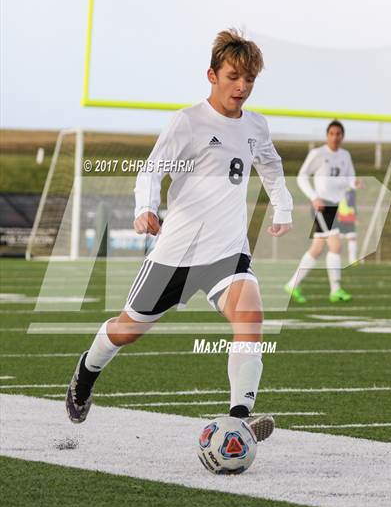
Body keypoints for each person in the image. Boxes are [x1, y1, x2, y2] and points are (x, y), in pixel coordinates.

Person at [66, 29, 293, 442]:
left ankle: (238, 419)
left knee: (251, 316)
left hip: (227, 252)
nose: (241, 87)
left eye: (249, 80)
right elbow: (151, 170)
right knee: (127, 330)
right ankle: (88, 368)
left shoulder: (256, 126)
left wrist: (283, 207)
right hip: (177, 253)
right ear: (212, 75)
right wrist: (145, 208)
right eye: (233, 77)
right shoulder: (188, 122)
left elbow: (271, 166)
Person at [284, 120, 355, 304]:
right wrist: (314, 197)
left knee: (317, 249)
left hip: (335, 206)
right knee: (336, 246)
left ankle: (292, 284)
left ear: (342, 136)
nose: (335, 137)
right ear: (327, 135)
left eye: (338, 134)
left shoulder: (345, 155)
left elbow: (349, 178)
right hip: (322, 206)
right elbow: (302, 176)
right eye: (331, 133)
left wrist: (354, 183)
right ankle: (336, 290)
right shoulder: (318, 153)